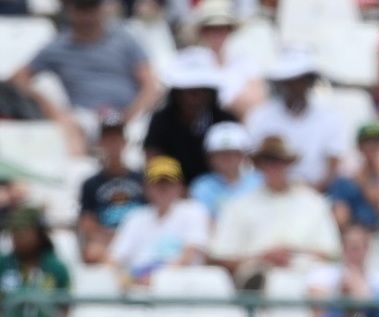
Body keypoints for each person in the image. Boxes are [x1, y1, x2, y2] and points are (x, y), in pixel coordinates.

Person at [8, 0, 161, 154]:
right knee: (68, 126)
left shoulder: (125, 39)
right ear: (70, 10)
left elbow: (150, 86)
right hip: (84, 118)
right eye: (81, 9)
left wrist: (129, 116)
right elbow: (17, 78)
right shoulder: (57, 47)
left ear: (101, 9)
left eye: (92, 8)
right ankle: (78, 166)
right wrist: (47, 103)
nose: (87, 16)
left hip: (131, 116)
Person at [209, 136, 341, 288]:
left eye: (279, 161)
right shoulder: (239, 206)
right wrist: (262, 258)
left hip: (306, 278)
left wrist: (293, 253)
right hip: (257, 279)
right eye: (268, 162)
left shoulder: (313, 203)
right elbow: (221, 256)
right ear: (260, 165)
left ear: (288, 164)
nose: (274, 167)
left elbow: (331, 253)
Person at [245, 48, 346, 192]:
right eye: (289, 82)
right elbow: (252, 163)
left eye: (300, 81)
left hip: (319, 192)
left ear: (310, 82)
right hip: (269, 192)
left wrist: (310, 195)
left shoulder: (330, 117)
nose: (294, 87)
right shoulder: (259, 116)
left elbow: (333, 164)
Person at [108, 156, 212, 284]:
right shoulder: (135, 217)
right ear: (146, 188)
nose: (163, 188)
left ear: (180, 186)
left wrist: (156, 278)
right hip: (137, 285)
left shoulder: (194, 210)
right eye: (157, 183)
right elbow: (115, 258)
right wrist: (123, 278)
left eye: (169, 182)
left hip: (182, 285)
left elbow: (191, 253)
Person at [145, 47, 238, 183]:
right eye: (190, 92)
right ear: (177, 94)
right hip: (175, 188)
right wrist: (176, 188)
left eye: (202, 91)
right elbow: (153, 157)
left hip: (220, 188)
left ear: (211, 93)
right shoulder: (161, 121)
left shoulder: (226, 120)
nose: (196, 99)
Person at [78, 114, 145, 264]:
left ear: (125, 142)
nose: (113, 145)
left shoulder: (141, 179)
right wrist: (112, 238)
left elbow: (151, 215)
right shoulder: (91, 184)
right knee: (92, 252)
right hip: (107, 240)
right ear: (100, 143)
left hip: (139, 239)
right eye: (108, 140)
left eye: (116, 139)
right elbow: (87, 222)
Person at [0, 207, 70, 317]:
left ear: (39, 235)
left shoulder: (56, 268)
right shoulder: (3, 265)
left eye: (24, 232)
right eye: (15, 232)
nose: (18, 238)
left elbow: (64, 307)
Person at [329, 122, 379, 231]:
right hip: (356, 231)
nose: (374, 147)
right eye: (368, 142)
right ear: (359, 147)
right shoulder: (347, 179)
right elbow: (340, 217)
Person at [189, 121, 261, 217]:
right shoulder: (200, 187)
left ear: (243, 155)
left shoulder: (259, 182)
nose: (227, 158)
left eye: (233, 153)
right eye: (220, 154)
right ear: (210, 158)